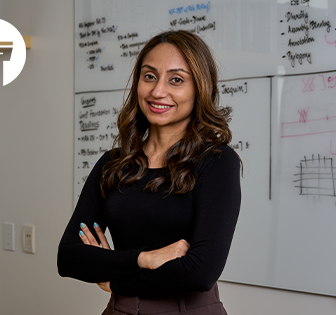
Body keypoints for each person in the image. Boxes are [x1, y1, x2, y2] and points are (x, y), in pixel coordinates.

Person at [58, 30, 241, 315]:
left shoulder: (216, 161)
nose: (157, 91)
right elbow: (68, 257)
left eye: (176, 80)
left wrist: (114, 279)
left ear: (199, 89)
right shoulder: (113, 164)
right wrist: (144, 259)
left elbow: (200, 272)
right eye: (149, 76)